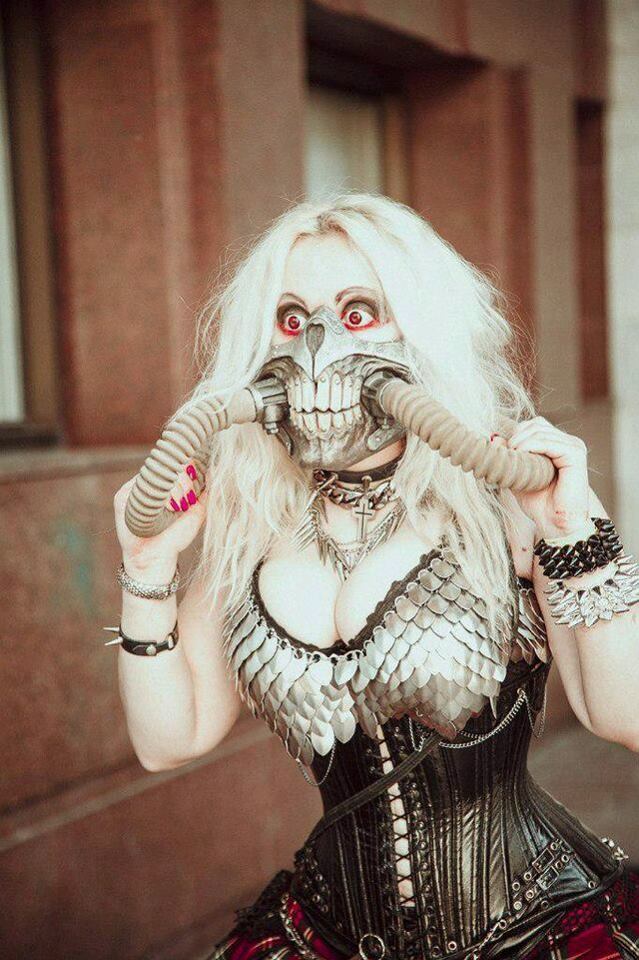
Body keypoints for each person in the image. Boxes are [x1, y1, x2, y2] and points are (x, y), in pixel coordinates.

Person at [113, 194, 639, 960]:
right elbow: (169, 740)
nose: (318, 342)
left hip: (536, 927)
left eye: (358, 312)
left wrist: (571, 532)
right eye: (291, 317)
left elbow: (623, 715)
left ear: (423, 329)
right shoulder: (252, 524)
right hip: (321, 931)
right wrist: (146, 566)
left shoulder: (513, 495)